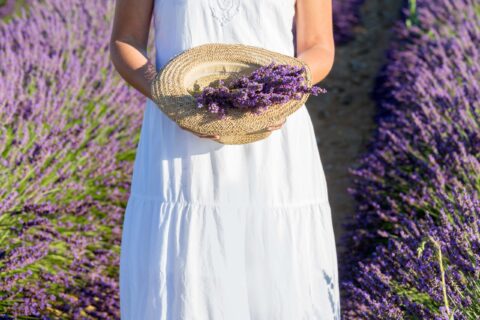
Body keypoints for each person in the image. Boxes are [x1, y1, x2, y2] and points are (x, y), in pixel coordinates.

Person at [110, 0, 340, 318]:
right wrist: (167, 94)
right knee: (186, 280)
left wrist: (281, 95)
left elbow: (317, 46)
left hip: (272, 143)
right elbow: (125, 41)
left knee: (275, 278)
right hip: (179, 148)